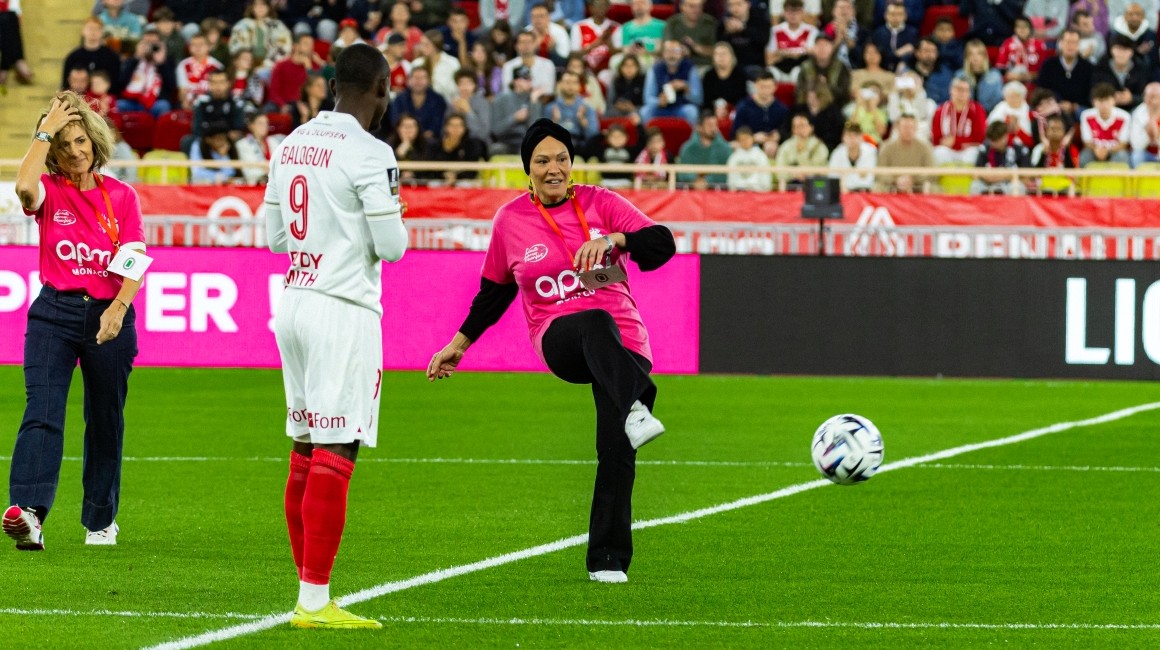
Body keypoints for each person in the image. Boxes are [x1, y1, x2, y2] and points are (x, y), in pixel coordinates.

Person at [427, 118, 675, 584]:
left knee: (617, 448)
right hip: (561, 337)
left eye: (561, 158)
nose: (554, 168)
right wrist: (458, 345)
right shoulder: (511, 220)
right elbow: (495, 292)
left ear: (572, 163)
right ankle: (637, 401)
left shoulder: (602, 203)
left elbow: (663, 244)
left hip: (625, 341)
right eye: (542, 160)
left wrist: (615, 240)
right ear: (528, 169)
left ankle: (607, 560)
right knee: (594, 322)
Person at [264, 43, 407, 629]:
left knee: (304, 447)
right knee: (337, 448)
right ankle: (314, 601)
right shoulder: (372, 152)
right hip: (343, 309)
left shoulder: (290, 143)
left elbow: (275, 238)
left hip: (294, 301)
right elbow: (392, 248)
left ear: (330, 87)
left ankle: (308, 593)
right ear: (382, 89)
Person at [5, 91, 147, 551]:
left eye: (81, 140)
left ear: (95, 141)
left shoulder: (122, 196)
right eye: (63, 145)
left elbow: (134, 258)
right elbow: (24, 188)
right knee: (42, 411)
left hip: (110, 315)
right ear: (52, 151)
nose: (75, 152)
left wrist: (118, 308)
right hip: (55, 314)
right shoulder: (50, 190)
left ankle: (101, 520)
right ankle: (29, 514)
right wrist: (45, 131)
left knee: (105, 419)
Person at [640, 39, 703, 127]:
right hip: (661, 108)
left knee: (692, 111)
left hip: (681, 107)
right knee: (645, 111)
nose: (672, 55)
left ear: (682, 53)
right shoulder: (655, 69)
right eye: (668, 51)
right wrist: (658, 101)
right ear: (663, 54)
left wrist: (686, 87)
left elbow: (699, 99)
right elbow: (647, 98)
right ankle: (651, 136)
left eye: (676, 51)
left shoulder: (690, 68)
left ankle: (690, 136)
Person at [1036, 29, 1094, 120]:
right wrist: (1057, 103)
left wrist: (1073, 106)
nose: (1071, 46)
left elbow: (1091, 93)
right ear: (1061, 43)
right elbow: (1041, 90)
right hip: (1053, 106)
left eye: (1074, 43)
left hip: (1079, 109)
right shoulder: (1048, 65)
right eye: (1068, 42)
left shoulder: (1088, 67)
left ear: (1079, 45)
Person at [228, 0, 294, 77]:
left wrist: (265, 64)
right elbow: (235, 47)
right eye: (256, 5)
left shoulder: (278, 26)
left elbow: (284, 48)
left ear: (268, 8)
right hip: (246, 65)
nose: (260, 8)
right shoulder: (242, 25)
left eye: (263, 5)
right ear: (252, 8)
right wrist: (247, 62)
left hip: (270, 67)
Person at [731, 70, 789, 156]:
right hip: (749, 146)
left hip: (775, 147)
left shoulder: (782, 109)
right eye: (762, 86)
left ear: (775, 87)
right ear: (755, 85)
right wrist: (752, 138)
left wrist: (779, 135)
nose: (765, 90)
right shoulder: (744, 107)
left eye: (768, 87)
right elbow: (735, 133)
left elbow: (787, 130)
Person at [491, 65, 546, 154]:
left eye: (530, 79)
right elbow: (495, 130)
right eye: (525, 79)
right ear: (515, 81)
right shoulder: (501, 99)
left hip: (525, 141)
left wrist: (533, 103)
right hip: (504, 140)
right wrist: (514, 118)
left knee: (528, 150)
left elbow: (536, 130)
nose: (529, 82)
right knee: (495, 149)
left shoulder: (534, 100)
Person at [932, 77, 988, 164]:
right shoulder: (941, 110)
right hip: (947, 150)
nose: (961, 93)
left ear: (969, 93)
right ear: (951, 90)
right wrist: (958, 142)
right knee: (938, 152)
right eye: (958, 89)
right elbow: (936, 138)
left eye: (965, 90)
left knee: (974, 153)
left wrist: (955, 141)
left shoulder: (977, 110)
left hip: (968, 150)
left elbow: (979, 138)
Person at [61, 17, 122, 93]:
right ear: (83, 31)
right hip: (78, 97)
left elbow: (116, 85)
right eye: (90, 28)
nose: (93, 32)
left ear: (102, 32)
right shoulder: (73, 57)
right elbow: (65, 85)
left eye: (97, 29)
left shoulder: (112, 57)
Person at [876, 112, 935, 191]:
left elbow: (931, 171)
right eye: (905, 127)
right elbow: (880, 172)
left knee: (931, 187)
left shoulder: (925, 147)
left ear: (916, 128)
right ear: (897, 128)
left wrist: (913, 179)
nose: (908, 131)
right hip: (892, 186)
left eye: (911, 127)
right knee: (877, 187)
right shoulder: (887, 147)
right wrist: (896, 180)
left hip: (918, 186)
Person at [970, 120, 1030, 195]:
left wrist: (1005, 176)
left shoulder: (1019, 148)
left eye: (996, 140)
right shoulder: (985, 147)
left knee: (1017, 187)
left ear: (1005, 136)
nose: (994, 144)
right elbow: (975, 173)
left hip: (1009, 183)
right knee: (975, 186)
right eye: (992, 140)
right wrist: (990, 177)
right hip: (988, 183)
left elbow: (1026, 177)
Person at [1079, 82, 1132, 166]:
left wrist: (1107, 151)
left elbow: (1123, 143)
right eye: (1100, 101)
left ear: (1114, 100)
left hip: (1114, 151)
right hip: (1094, 150)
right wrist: (1097, 150)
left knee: (1122, 156)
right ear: (1093, 102)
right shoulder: (1086, 116)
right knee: (1085, 156)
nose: (1104, 105)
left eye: (1107, 100)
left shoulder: (1124, 116)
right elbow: (1087, 142)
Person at [389, 66, 447, 141]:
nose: (419, 81)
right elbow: (395, 121)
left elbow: (437, 125)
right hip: (402, 138)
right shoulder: (399, 100)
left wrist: (422, 138)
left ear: (428, 80)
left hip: (430, 141)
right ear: (409, 80)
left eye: (422, 78)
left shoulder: (438, 100)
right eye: (416, 78)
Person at [767, 0, 819, 82]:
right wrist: (798, 53)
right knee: (770, 72)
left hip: (800, 67)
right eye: (789, 12)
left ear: (803, 13)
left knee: (797, 73)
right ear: (783, 13)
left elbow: (812, 53)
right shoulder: (775, 31)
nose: (793, 15)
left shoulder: (811, 30)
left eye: (797, 12)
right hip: (781, 67)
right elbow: (769, 58)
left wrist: (783, 53)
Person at [1093, 36, 1148, 112]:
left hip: (1135, 110)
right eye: (1118, 48)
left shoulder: (1140, 69)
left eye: (1125, 49)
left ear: (1132, 52)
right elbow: (1093, 93)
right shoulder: (1101, 68)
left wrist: (1132, 98)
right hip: (1106, 110)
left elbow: (1146, 95)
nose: (1121, 53)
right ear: (1111, 49)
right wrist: (1110, 98)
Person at [677, 111, 731, 188]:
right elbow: (682, 173)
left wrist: (707, 181)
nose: (714, 128)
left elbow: (727, 173)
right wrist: (695, 180)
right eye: (709, 125)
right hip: (691, 191)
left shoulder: (725, 148)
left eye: (715, 125)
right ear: (699, 128)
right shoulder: (687, 148)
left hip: (718, 191)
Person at [775, 112, 830, 185]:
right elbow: (779, 170)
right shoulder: (785, 147)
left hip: (815, 183)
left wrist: (807, 173)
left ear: (811, 128)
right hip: (792, 183)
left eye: (802, 126)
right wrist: (793, 174)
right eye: (796, 126)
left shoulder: (820, 147)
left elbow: (825, 171)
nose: (799, 130)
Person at [192, 69, 247, 140]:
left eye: (221, 82)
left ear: (228, 84)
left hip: (229, 141)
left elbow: (238, 130)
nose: (217, 86)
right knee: (188, 140)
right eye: (214, 82)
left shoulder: (236, 102)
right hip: (206, 140)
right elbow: (197, 129)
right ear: (209, 84)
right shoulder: (201, 101)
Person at [717, 0, 771, 74]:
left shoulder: (760, 19)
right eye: (731, 5)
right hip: (732, 66)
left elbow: (764, 41)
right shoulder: (724, 23)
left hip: (754, 64)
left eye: (739, 4)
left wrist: (744, 29)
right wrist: (727, 33)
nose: (735, 8)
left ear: (748, 4)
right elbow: (719, 46)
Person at [663, 0, 718, 67]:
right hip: (678, 66)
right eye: (692, 6)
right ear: (682, 7)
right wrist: (680, 50)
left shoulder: (710, 23)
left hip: (704, 66)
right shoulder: (673, 23)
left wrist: (695, 47)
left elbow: (716, 50)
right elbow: (667, 45)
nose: (696, 10)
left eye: (699, 6)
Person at [995, 15, 1047, 84]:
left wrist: (1028, 76)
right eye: (1019, 26)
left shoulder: (1039, 45)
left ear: (1030, 29)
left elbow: (1045, 71)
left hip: (1034, 83)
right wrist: (1010, 75)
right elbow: (1000, 69)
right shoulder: (1007, 44)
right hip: (1012, 83)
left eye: (1025, 26)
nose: (1022, 29)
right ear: (1014, 29)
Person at [955, 39, 1003, 112]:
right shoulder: (960, 76)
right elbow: (956, 99)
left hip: (989, 114)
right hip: (964, 114)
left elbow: (997, 101)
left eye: (979, 54)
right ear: (967, 57)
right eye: (971, 54)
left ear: (984, 56)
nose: (975, 58)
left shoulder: (995, 76)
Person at [237, 112, 285, 184]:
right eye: (260, 123)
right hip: (257, 184)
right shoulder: (243, 144)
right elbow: (249, 170)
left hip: (275, 183)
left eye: (266, 123)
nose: (264, 126)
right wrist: (267, 170)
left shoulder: (274, 142)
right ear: (252, 126)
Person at [701, 42, 748, 115]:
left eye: (724, 53)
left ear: (732, 56)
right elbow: (707, 101)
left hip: (736, 110)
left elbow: (743, 98)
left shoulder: (740, 74)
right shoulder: (709, 76)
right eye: (717, 54)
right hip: (714, 111)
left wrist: (728, 109)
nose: (721, 57)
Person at [828, 121, 877, 191]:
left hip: (865, 191)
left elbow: (870, 178)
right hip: (843, 191)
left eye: (856, 135)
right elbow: (832, 176)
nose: (852, 139)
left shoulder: (870, 151)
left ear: (861, 137)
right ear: (843, 137)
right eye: (849, 135)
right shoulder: (837, 153)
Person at [870, 0, 917, 71]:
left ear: (905, 16)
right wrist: (898, 53)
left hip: (905, 68)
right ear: (885, 15)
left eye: (900, 14)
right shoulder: (878, 33)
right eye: (892, 14)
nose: (896, 17)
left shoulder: (912, 33)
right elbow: (880, 54)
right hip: (882, 68)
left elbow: (912, 55)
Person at [987, 81, 1034, 147]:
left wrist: (1017, 129)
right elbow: (992, 133)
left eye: (1017, 96)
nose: (1014, 99)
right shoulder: (999, 109)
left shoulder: (1029, 111)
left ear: (1023, 97)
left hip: (1024, 147)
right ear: (1005, 97)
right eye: (1011, 96)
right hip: (1000, 146)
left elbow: (1030, 142)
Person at [726, 126, 773, 191]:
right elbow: (731, 177)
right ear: (738, 141)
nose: (745, 142)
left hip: (757, 191)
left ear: (752, 138)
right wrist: (733, 190)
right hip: (739, 191)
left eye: (747, 138)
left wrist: (765, 189)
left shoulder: (760, 155)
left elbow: (765, 175)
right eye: (742, 140)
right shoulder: (734, 157)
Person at [1130, 82, 1160, 167]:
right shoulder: (1138, 113)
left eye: (1153, 96)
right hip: (1146, 154)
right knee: (1137, 155)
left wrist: (1157, 134)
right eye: (1146, 95)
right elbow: (1136, 145)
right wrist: (1148, 134)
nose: (1148, 99)